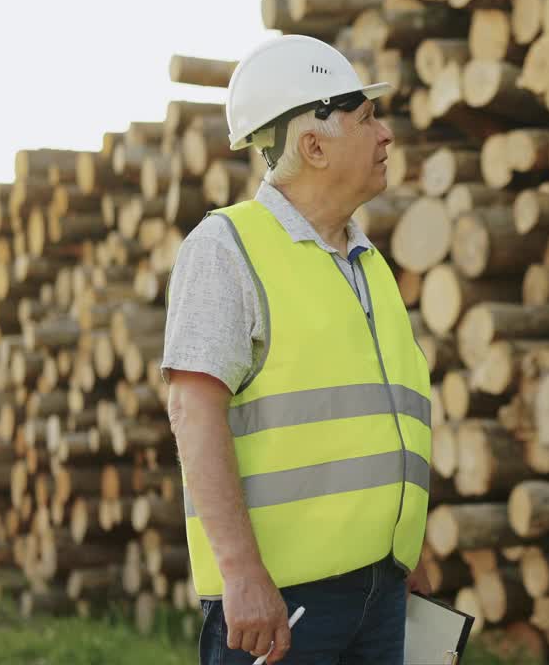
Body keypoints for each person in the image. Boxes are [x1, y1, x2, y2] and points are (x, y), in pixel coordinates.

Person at [161, 34, 432, 665]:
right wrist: (242, 575)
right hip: (283, 605)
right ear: (313, 144)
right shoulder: (226, 246)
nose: (386, 134)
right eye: (367, 118)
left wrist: (408, 543)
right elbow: (192, 411)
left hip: (381, 586)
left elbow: (383, 420)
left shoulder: (369, 263)